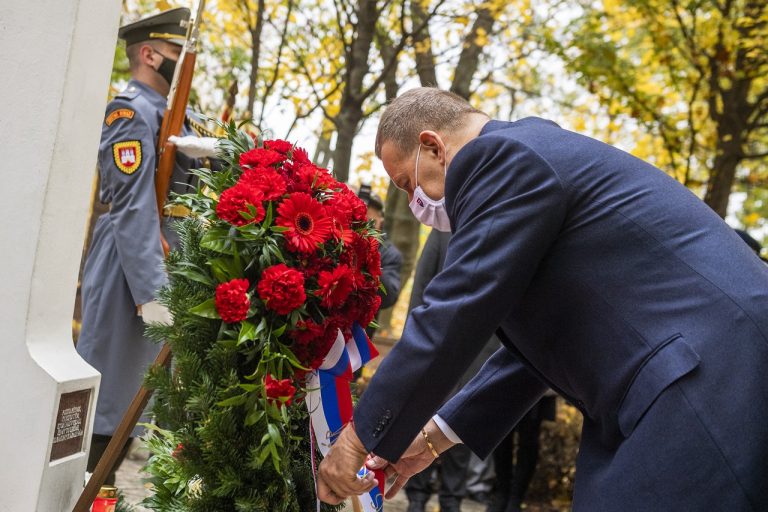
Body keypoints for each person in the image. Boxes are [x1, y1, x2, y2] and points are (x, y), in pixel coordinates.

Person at [316, 87, 768, 510]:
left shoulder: (497, 158)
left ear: (434, 147)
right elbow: (536, 352)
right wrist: (434, 437)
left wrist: (357, 439)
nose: (414, 202)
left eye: (405, 183)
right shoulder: (529, 157)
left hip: (711, 374)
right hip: (693, 373)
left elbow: (454, 312)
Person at [76, 8, 214, 484]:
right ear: (150, 54)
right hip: (130, 272)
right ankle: (91, 489)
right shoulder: (130, 110)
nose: (184, 64)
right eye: (176, 53)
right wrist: (154, 294)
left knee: (140, 402)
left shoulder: (180, 115)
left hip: (168, 267)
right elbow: (132, 208)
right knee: (109, 403)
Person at [404, 229, 498, 512]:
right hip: (437, 345)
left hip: (482, 349)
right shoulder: (442, 231)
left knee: (464, 419)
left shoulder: (504, 227)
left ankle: (452, 499)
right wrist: (414, 341)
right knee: (423, 417)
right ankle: (417, 496)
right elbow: (421, 286)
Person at [487, 392, 556, 512]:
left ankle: (516, 499)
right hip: (506, 384)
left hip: (537, 383)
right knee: (500, 437)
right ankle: (502, 494)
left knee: (529, 440)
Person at [357, 184, 403, 338]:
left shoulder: (390, 253)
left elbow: (389, 296)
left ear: (380, 221)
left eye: (370, 222)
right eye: (357, 220)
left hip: (360, 333)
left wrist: (370, 260)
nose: (363, 228)